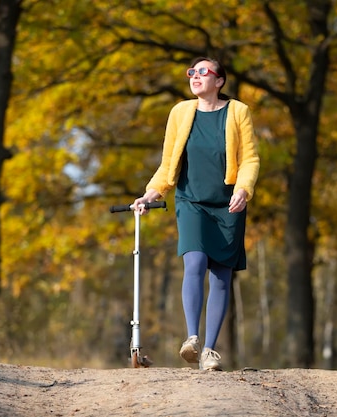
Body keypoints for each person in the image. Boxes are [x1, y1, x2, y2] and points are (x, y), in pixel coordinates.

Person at [133, 57, 260, 371]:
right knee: (195, 261)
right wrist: (151, 194)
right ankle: (191, 338)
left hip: (228, 204)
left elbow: (251, 160)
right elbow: (168, 164)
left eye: (204, 72)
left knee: (220, 277)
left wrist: (243, 189)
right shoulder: (180, 112)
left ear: (219, 81)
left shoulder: (238, 112)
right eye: (192, 72)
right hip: (191, 201)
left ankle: (209, 351)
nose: (195, 76)